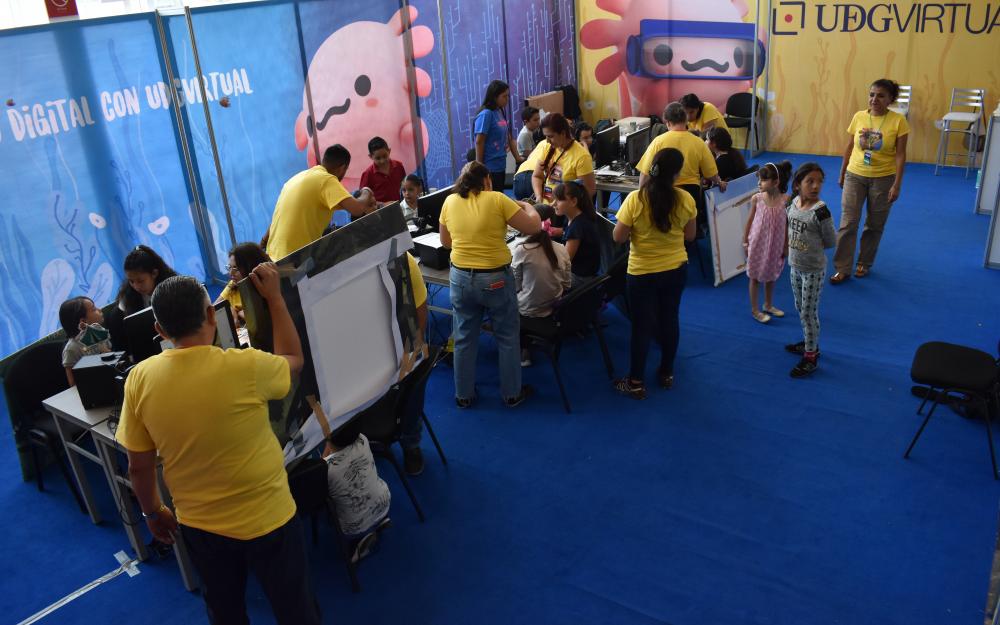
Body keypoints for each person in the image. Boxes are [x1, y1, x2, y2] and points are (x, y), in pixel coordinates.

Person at [114, 267, 321, 625]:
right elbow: (294, 360)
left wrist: (153, 512)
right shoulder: (247, 366)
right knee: (295, 609)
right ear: (211, 314)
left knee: (225, 613)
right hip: (269, 517)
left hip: (201, 527)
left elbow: (139, 466)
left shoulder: (139, 379)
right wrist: (274, 298)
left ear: (160, 330)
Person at [439, 162, 541, 408]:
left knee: (464, 337)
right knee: (507, 336)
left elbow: (446, 242)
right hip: (495, 279)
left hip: (460, 278)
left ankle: (463, 396)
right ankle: (512, 394)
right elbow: (534, 226)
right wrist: (528, 206)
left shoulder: (449, 201)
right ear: (486, 180)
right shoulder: (497, 199)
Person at [612, 148, 697, 399]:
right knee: (670, 319)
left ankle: (636, 382)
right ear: (677, 173)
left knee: (642, 326)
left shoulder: (635, 199)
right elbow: (690, 236)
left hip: (642, 272)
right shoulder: (685, 199)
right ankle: (667, 373)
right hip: (675, 269)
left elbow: (618, 237)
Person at [831, 78, 909, 284]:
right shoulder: (859, 116)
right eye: (872, 94)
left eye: (881, 96)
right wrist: (842, 172)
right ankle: (842, 267)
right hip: (855, 174)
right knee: (848, 223)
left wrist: (897, 184)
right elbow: (850, 146)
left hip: (883, 178)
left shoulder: (899, 121)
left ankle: (864, 263)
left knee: (874, 224)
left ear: (890, 99)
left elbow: (901, 155)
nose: (874, 99)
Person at [266, 144, 376, 261]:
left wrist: (263, 241)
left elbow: (278, 217)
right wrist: (367, 190)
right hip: (293, 258)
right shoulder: (326, 180)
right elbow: (358, 209)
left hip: (271, 256)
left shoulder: (295, 179)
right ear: (342, 168)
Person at [637, 103, 725, 233]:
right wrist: (719, 182)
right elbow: (711, 174)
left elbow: (645, 173)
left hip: (663, 193)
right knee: (689, 234)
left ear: (667, 122)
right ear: (686, 121)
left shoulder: (658, 141)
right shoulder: (698, 142)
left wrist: (640, 195)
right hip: (691, 195)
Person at [785, 163, 836, 378]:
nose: (816, 186)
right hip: (795, 266)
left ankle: (811, 355)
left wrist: (811, 249)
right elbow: (788, 229)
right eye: (810, 181)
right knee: (800, 307)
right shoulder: (793, 203)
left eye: (819, 182)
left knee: (808, 312)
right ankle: (809, 342)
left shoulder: (821, 211)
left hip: (813, 270)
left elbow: (831, 240)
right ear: (798, 184)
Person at [323, 421, 391, 560]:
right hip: (384, 502)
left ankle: (359, 546)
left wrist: (326, 446)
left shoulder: (327, 469)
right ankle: (378, 521)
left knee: (328, 506)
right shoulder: (362, 439)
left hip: (353, 528)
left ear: (328, 439)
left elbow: (323, 462)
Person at [743, 161, 793, 323]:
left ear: (776, 182)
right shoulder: (756, 199)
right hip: (757, 243)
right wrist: (745, 242)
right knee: (754, 277)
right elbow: (749, 221)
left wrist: (786, 245)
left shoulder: (786, 200)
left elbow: (787, 225)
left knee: (771, 276)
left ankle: (768, 305)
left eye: (763, 180)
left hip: (775, 245)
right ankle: (755, 310)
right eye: (759, 179)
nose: (759, 183)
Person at [512, 205, 572, 318]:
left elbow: (515, 286)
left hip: (527, 309)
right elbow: (567, 284)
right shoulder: (562, 249)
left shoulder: (522, 250)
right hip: (555, 306)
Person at [532, 113, 597, 202]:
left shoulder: (582, 156)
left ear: (563, 133)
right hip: (547, 205)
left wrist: (566, 205)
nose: (547, 140)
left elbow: (589, 190)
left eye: (550, 136)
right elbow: (537, 176)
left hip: (566, 209)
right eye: (546, 136)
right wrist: (539, 196)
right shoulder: (547, 147)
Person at [475, 80, 523, 191]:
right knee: (493, 197)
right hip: (489, 167)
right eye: (504, 96)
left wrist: (518, 158)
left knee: (499, 195)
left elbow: (509, 137)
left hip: (500, 164)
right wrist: (479, 168)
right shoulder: (486, 114)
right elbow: (479, 141)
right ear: (494, 97)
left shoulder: (499, 111)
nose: (507, 99)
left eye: (508, 96)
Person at [553, 181, 601, 285]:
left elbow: (565, 261)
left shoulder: (577, 226)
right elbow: (566, 232)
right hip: (584, 272)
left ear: (573, 202)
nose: (554, 204)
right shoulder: (575, 217)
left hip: (580, 278)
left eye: (559, 200)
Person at [59, 296, 111, 386]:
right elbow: (73, 384)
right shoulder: (71, 350)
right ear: (83, 321)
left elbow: (111, 356)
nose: (99, 309)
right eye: (94, 309)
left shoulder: (99, 332)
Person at [216, 242, 271, 325]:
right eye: (230, 267)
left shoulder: (264, 288)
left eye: (236, 268)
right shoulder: (233, 284)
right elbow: (214, 308)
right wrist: (230, 309)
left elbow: (262, 320)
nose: (231, 273)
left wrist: (240, 313)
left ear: (251, 267)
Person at [115, 245, 177, 316]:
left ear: (154, 273)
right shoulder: (128, 295)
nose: (136, 287)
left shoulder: (174, 290)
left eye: (140, 281)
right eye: (131, 281)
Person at [359, 136, 407, 204]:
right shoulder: (368, 174)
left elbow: (405, 186)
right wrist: (382, 205)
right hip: (381, 210)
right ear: (371, 156)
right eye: (378, 158)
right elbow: (364, 200)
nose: (382, 161)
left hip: (402, 205)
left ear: (389, 151)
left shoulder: (398, 166)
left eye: (385, 156)